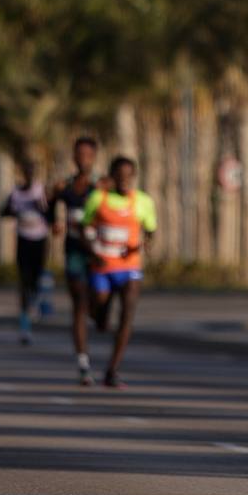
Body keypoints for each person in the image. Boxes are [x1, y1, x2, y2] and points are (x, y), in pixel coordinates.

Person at [81, 155, 157, 389]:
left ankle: (112, 371)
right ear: (112, 177)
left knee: (128, 314)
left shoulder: (142, 202)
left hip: (129, 268)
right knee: (101, 314)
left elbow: (150, 231)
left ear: (134, 177)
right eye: (120, 176)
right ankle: (98, 316)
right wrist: (92, 252)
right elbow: (85, 228)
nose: (124, 180)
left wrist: (142, 245)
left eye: (129, 176)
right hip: (102, 267)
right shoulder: (97, 199)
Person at [51, 137, 100, 387]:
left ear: (95, 156)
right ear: (73, 157)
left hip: (100, 254)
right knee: (79, 305)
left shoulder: (102, 186)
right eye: (79, 154)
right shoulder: (64, 187)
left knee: (97, 305)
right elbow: (49, 208)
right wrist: (55, 224)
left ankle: (98, 314)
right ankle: (83, 363)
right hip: (74, 252)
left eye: (88, 155)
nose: (83, 159)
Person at [1, 159, 51, 346]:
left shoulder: (40, 191)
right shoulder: (16, 193)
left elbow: (51, 214)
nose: (29, 174)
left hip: (39, 240)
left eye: (32, 171)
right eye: (26, 171)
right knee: (23, 281)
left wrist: (42, 208)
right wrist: (12, 211)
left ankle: (38, 301)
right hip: (23, 240)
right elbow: (3, 212)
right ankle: (24, 324)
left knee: (36, 278)